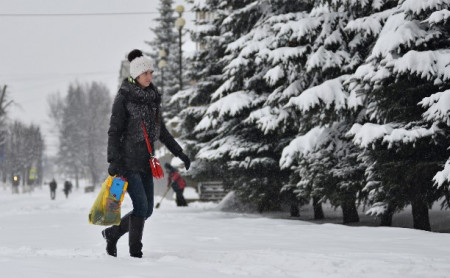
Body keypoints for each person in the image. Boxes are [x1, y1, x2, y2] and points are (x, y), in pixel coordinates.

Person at [102, 49, 191, 258]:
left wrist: (180, 153)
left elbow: (162, 132)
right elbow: (114, 131)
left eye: (151, 72)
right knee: (140, 205)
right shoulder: (123, 98)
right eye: (146, 74)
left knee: (148, 210)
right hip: (127, 162)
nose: (150, 77)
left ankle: (112, 233)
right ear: (136, 75)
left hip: (145, 163)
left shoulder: (153, 100)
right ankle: (136, 253)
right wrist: (113, 160)